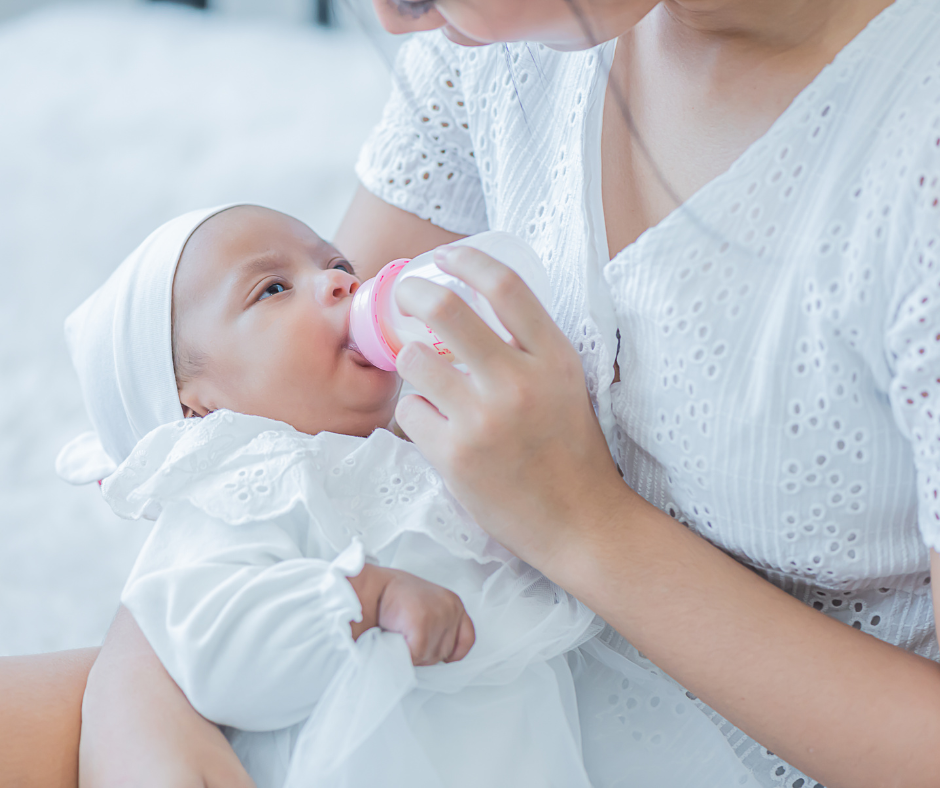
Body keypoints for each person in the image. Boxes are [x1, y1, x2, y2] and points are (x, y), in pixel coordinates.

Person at [6, 0, 940, 786]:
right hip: (438, 677)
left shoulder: (910, 167)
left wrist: (580, 522)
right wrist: (149, 680)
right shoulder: (488, 55)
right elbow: (275, 433)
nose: (389, 15)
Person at [63, 202, 752, 788]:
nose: (337, 283)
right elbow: (211, 647)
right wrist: (362, 598)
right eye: (273, 289)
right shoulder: (247, 480)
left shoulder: (418, 442)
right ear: (198, 409)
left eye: (337, 266)